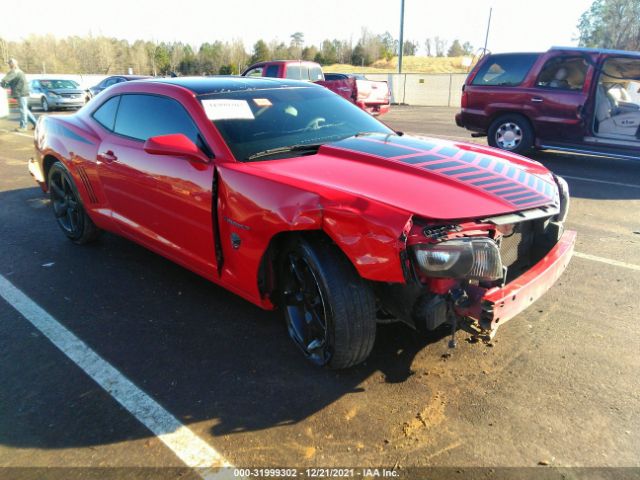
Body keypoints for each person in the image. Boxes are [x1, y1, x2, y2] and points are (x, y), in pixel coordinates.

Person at [1, 58, 37, 131]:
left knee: (23, 110)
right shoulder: (19, 71)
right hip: (22, 92)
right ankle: (36, 124)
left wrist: (3, 85)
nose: (8, 65)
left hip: (21, 93)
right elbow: (11, 82)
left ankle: (23, 126)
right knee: (25, 110)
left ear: (12, 64)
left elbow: (5, 80)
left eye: (9, 63)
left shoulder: (14, 71)